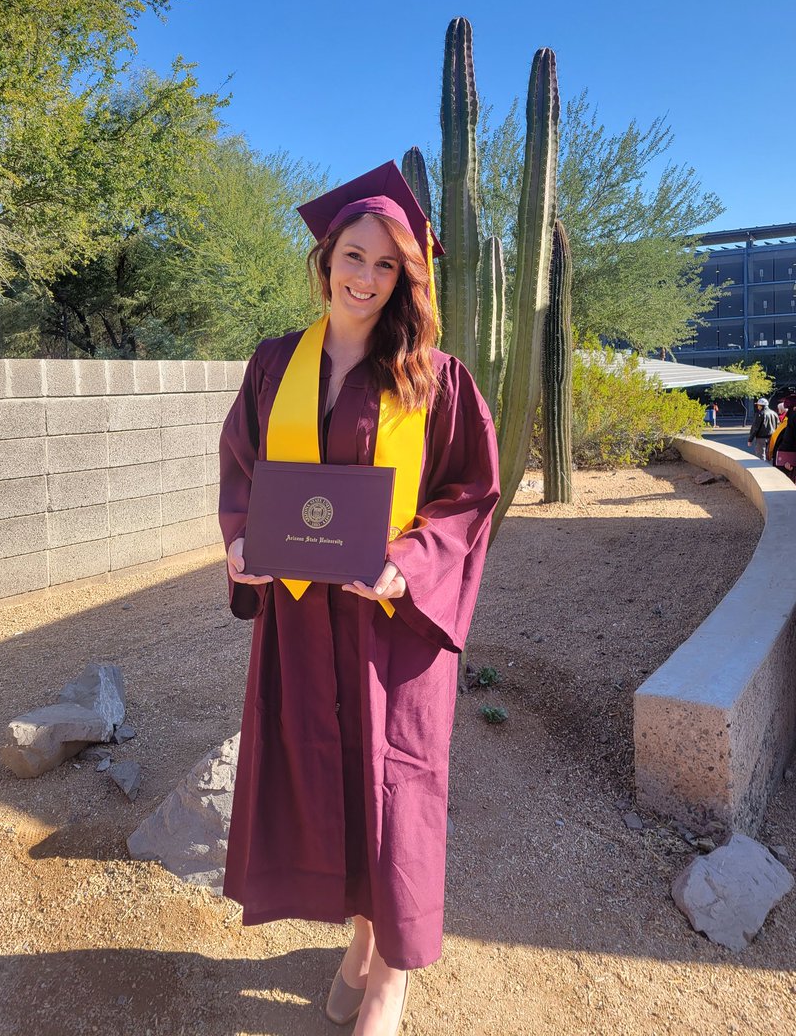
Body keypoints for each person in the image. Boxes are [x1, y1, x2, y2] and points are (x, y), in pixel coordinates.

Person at [217, 162, 500, 1036]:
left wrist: (410, 562)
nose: (367, 277)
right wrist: (238, 540)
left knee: (391, 784)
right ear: (324, 257)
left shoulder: (434, 377)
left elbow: (469, 494)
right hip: (302, 617)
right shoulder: (274, 366)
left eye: (388, 265)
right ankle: (357, 941)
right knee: (328, 777)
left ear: (408, 276)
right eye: (354, 255)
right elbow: (243, 469)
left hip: (390, 623)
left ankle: (390, 975)